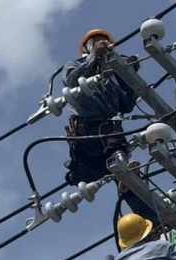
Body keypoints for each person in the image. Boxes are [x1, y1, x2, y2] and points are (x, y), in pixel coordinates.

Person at [62, 29, 158, 225]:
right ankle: (87, 172)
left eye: (105, 43)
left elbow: (126, 105)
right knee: (91, 170)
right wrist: (93, 59)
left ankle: (151, 220)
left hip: (110, 126)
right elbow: (72, 81)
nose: (103, 45)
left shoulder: (113, 73)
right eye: (97, 42)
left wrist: (129, 76)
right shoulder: (76, 65)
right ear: (88, 47)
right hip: (87, 128)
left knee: (124, 172)